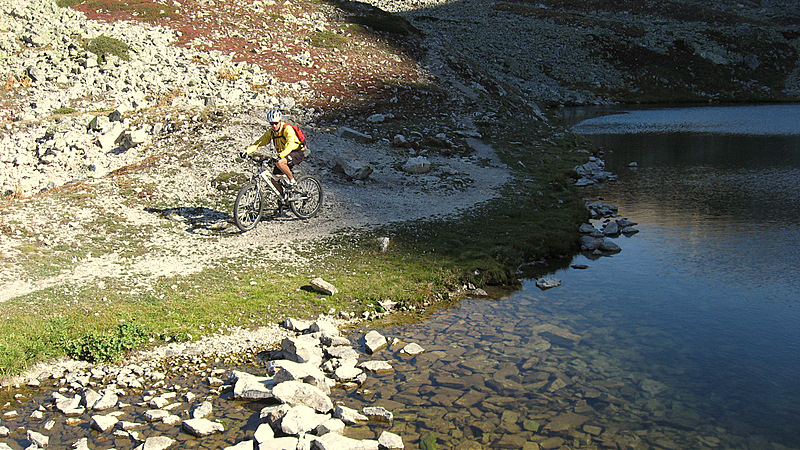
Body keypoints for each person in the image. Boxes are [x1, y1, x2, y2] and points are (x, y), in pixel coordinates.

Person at [241, 109, 305, 199]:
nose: (274, 126)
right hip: (283, 155)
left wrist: (281, 155)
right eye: (271, 123)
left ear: (280, 121)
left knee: (280, 163)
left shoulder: (287, 129)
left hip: (296, 152)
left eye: (276, 123)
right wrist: (247, 151)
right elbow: (259, 143)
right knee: (274, 179)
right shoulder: (271, 132)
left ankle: (292, 181)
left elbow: (290, 144)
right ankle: (284, 199)